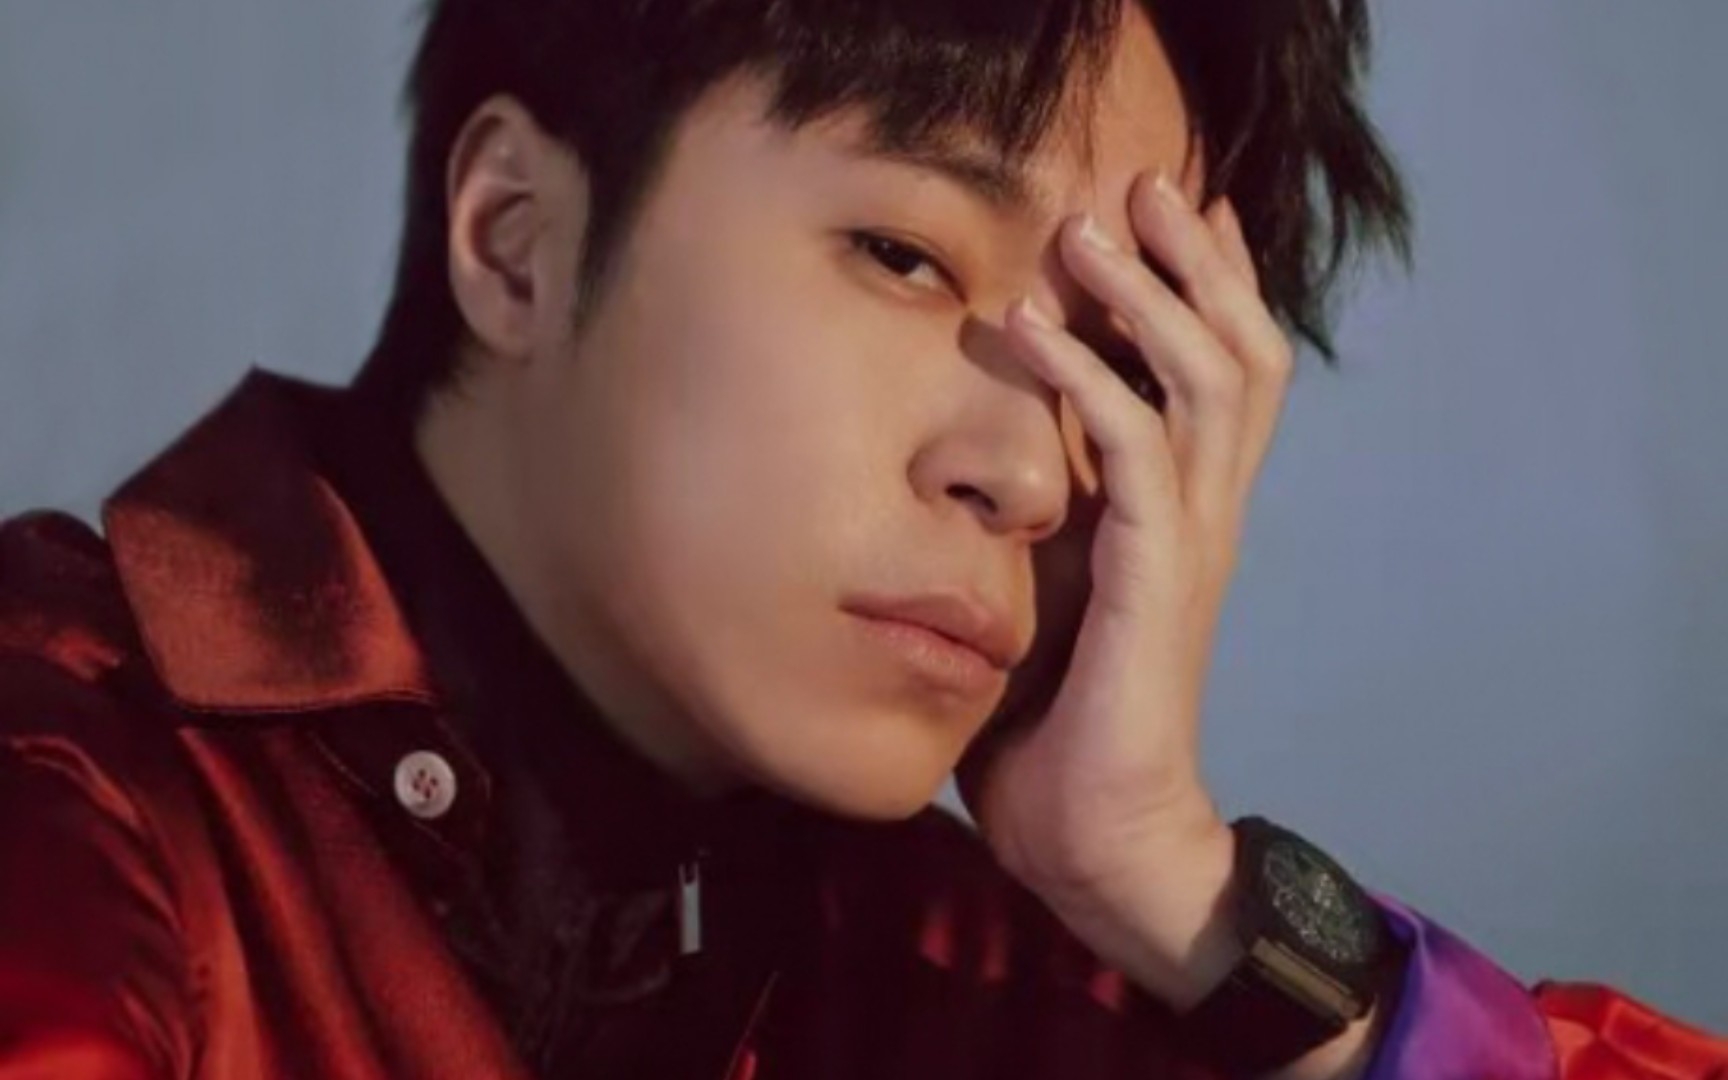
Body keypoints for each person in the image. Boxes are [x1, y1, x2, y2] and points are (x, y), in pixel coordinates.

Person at [0, 0, 1721, 1076]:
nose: (1033, 473)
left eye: (1120, 365)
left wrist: (1188, 895)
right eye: (905, 258)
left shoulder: (975, 971)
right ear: (516, 237)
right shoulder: (67, 786)